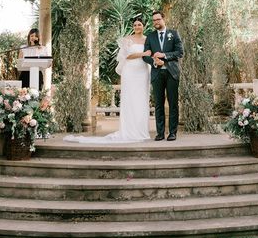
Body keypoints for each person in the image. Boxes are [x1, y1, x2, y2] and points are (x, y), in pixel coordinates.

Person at [63, 17, 152, 144]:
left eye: (139, 24)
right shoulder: (127, 39)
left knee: (142, 100)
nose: (137, 27)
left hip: (143, 72)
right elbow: (126, 56)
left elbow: (152, 54)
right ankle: (129, 131)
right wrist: (143, 54)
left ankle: (141, 130)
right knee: (130, 100)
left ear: (144, 26)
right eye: (135, 25)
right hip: (130, 72)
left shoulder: (148, 40)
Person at [142, 11, 183, 141]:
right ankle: (160, 133)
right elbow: (146, 55)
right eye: (154, 20)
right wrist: (154, 61)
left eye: (158, 19)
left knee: (173, 104)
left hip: (172, 73)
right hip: (157, 74)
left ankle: (172, 132)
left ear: (163, 19)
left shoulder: (174, 34)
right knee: (158, 104)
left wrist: (164, 56)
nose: (156, 22)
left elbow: (180, 52)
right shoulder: (150, 37)